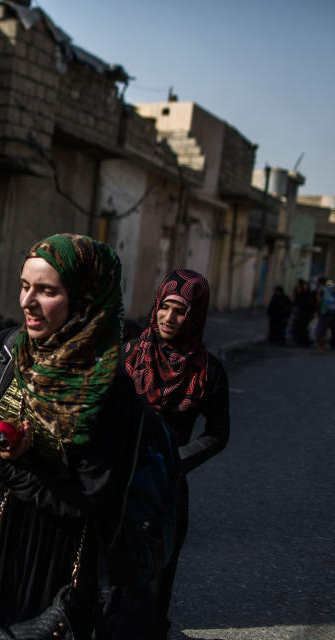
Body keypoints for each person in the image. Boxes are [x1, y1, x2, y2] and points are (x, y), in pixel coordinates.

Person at [0, 233, 144, 638]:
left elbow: (90, 499)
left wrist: (0, 460)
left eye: (46, 291)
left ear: (84, 299)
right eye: (24, 286)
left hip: (59, 558)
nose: (26, 302)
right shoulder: (17, 352)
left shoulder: (110, 389)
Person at [123, 269, 230, 638]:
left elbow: (217, 435)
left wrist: (174, 463)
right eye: (165, 307)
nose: (169, 318)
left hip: (165, 490)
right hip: (116, 481)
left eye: (180, 311)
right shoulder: (129, 355)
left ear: (196, 314)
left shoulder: (208, 372)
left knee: (156, 581)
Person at [292, 279, 317, 347]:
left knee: (306, 328)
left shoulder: (310, 295)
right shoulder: (301, 294)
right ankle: (300, 341)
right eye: (304, 286)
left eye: (306, 286)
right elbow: (296, 303)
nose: (305, 287)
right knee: (300, 328)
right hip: (301, 314)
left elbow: (313, 304)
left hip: (307, 315)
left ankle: (305, 341)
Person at [315, 278, 335, 350]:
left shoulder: (322, 290)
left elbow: (318, 300)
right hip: (330, 313)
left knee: (322, 330)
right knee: (327, 330)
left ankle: (321, 346)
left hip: (325, 313)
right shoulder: (329, 291)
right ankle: (322, 346)